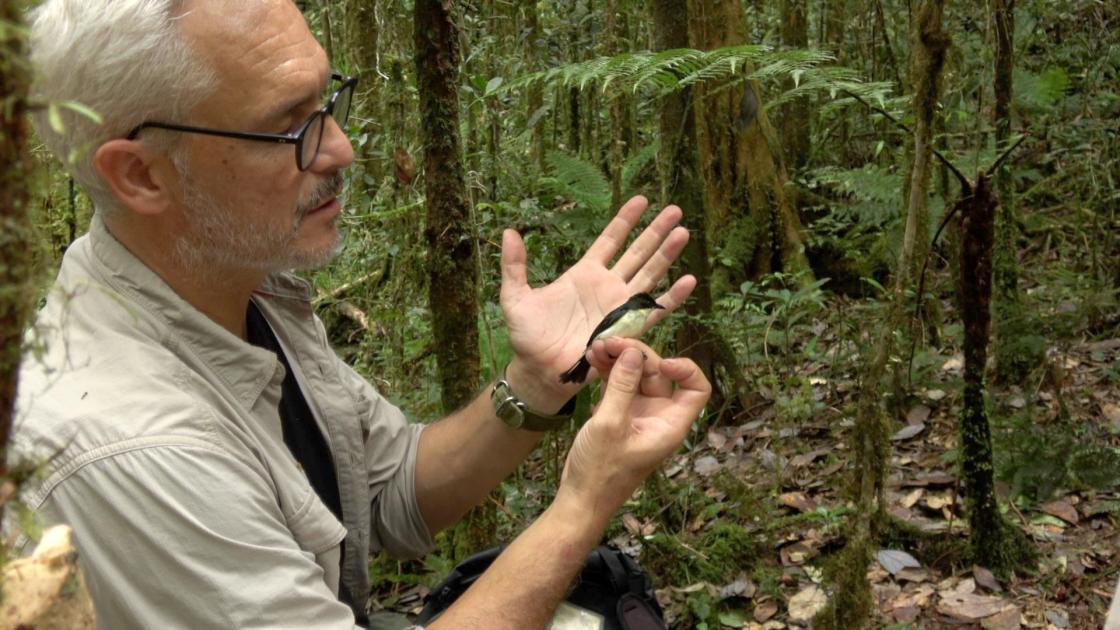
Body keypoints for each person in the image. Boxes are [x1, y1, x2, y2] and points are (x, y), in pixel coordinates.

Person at [10, 1, 711, 628]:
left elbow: (384, 493)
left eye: (327, 100)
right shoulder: (133, 445)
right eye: (288, 127)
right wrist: (584, 503)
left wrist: (537, 381)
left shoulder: (234, 288)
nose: (341, 148)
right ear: (140, 175)